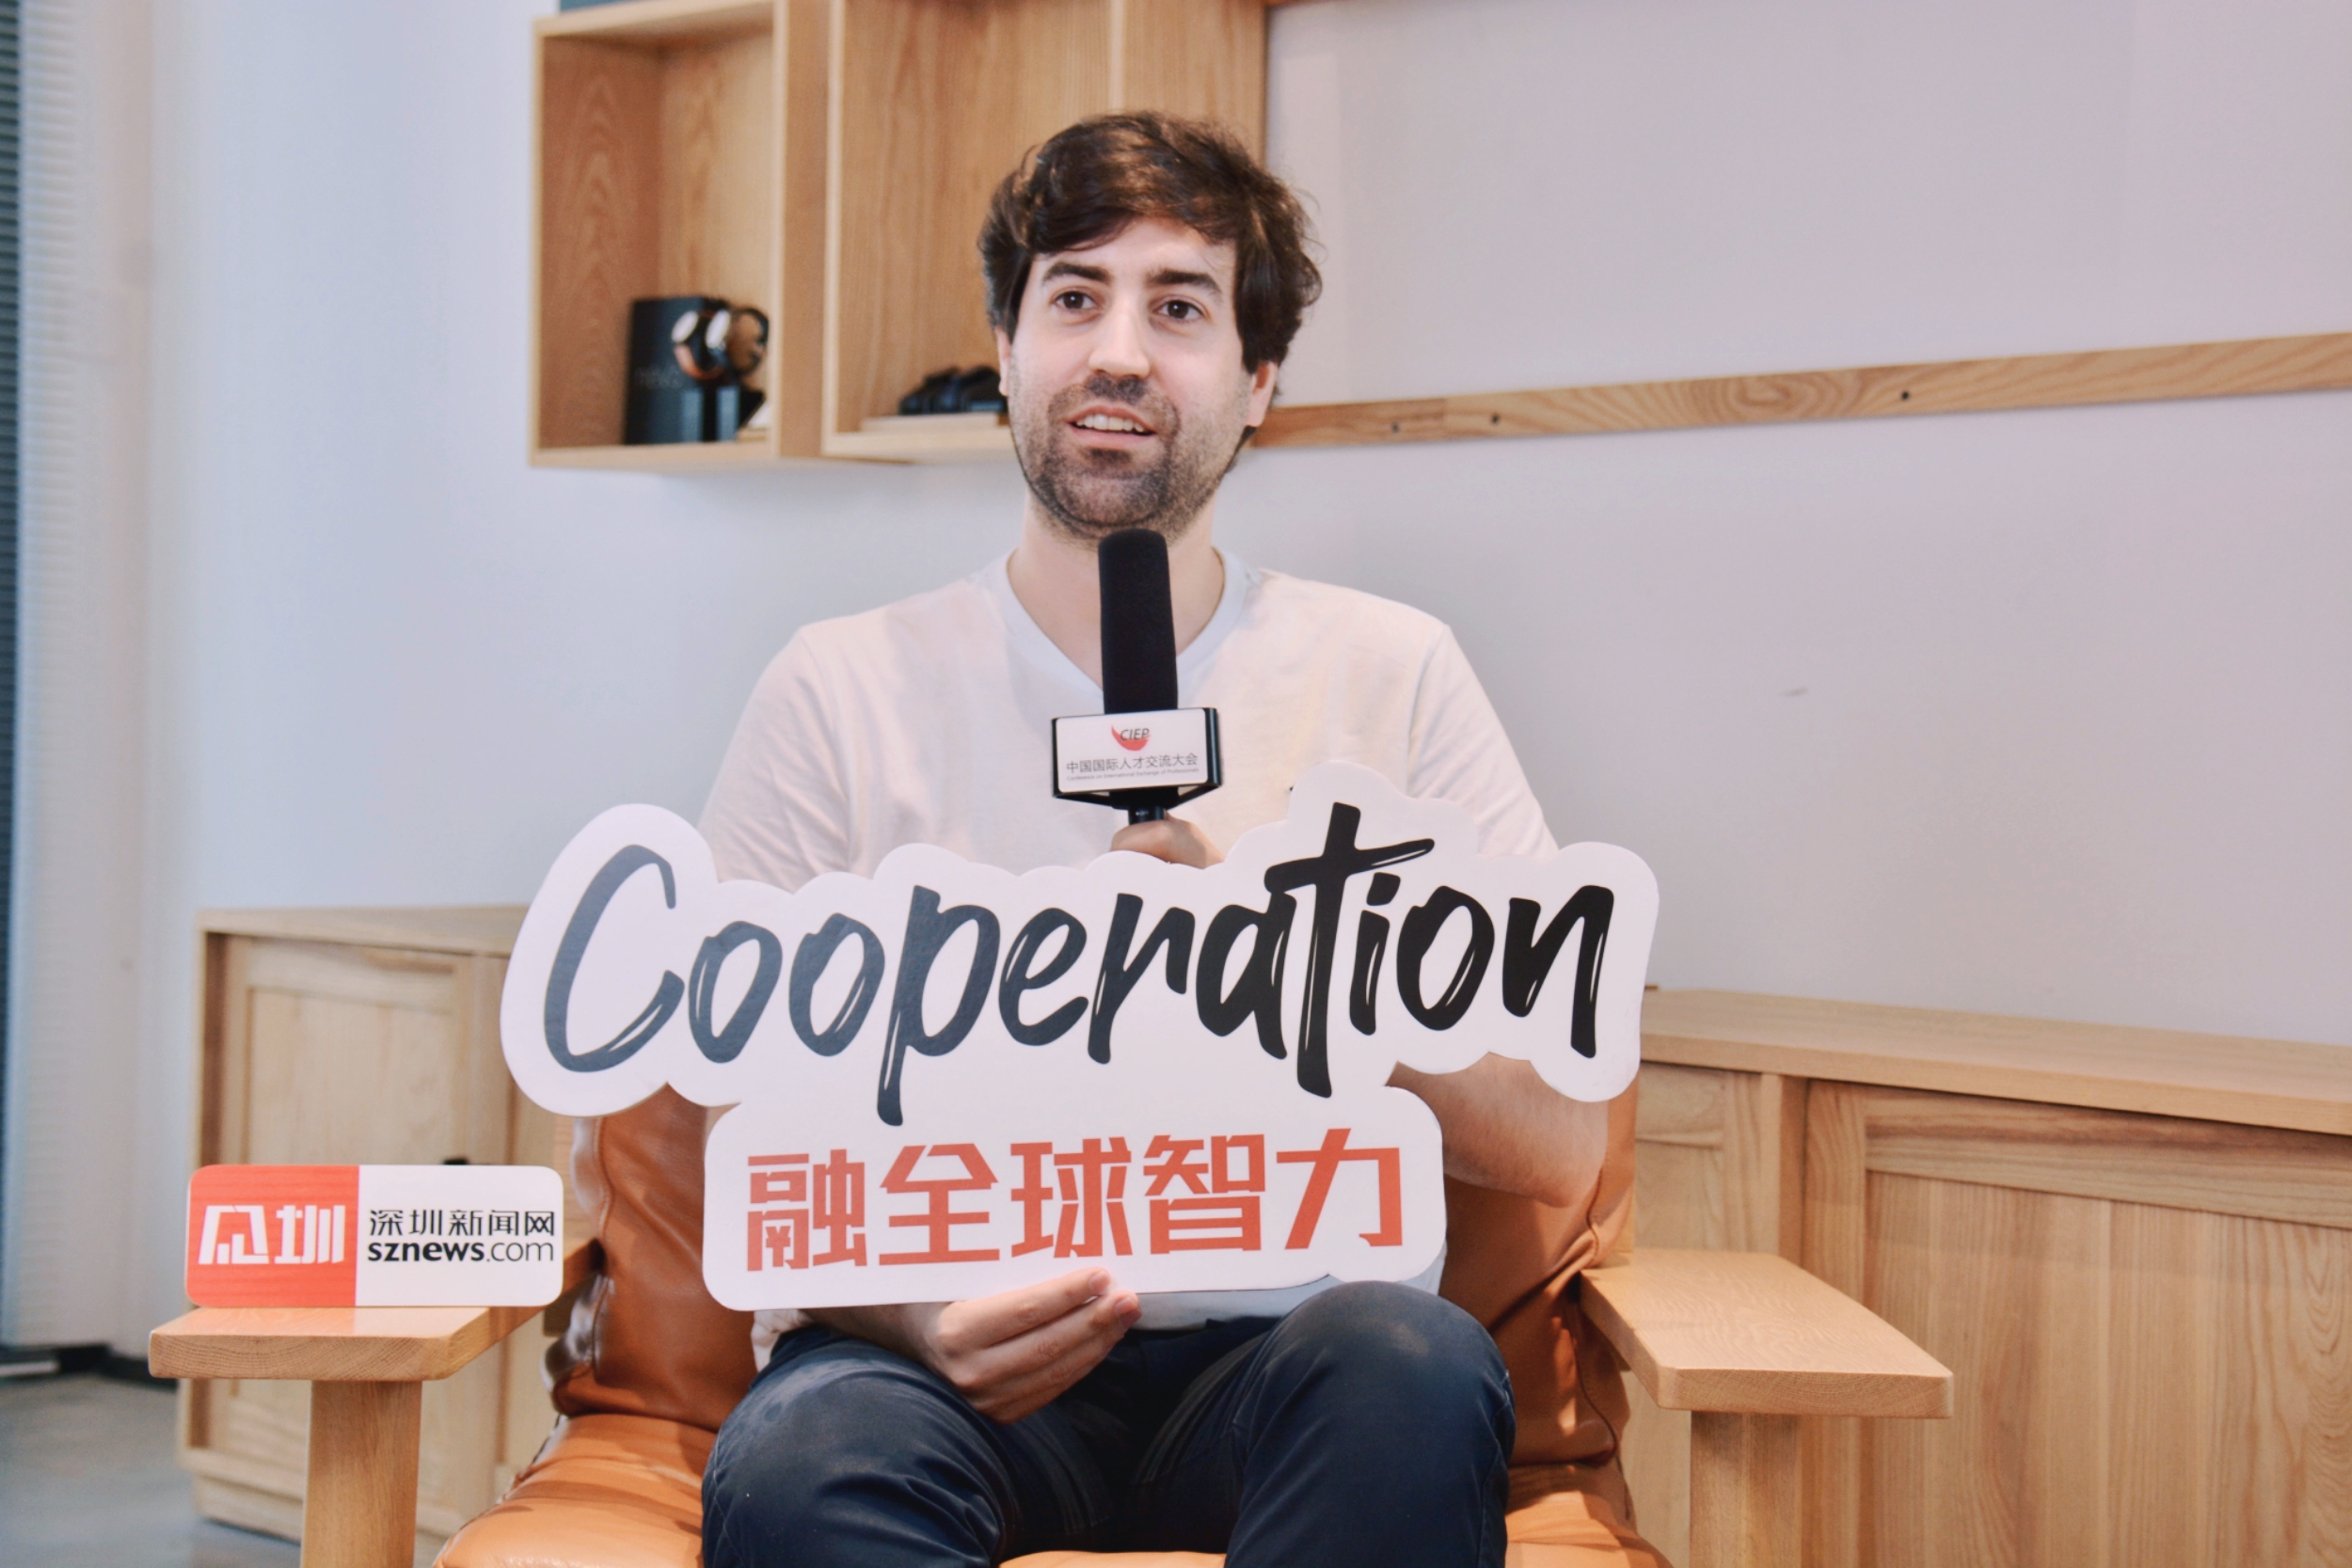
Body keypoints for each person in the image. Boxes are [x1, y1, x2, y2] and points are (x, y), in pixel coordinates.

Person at [697, 113, 1652, 1568]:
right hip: (938, 1362)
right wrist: (914, 1317)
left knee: (1413, 1367)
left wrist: (1277, 972)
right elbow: (734, 1123)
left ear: (1259, 380)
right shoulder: (840, 686)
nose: (1120, 353)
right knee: (799, 1460)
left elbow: (1558, 1130)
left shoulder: (1390, 671)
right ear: (1007, 350)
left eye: (1181, 307)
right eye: (1075, 297)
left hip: (1284, 1352)